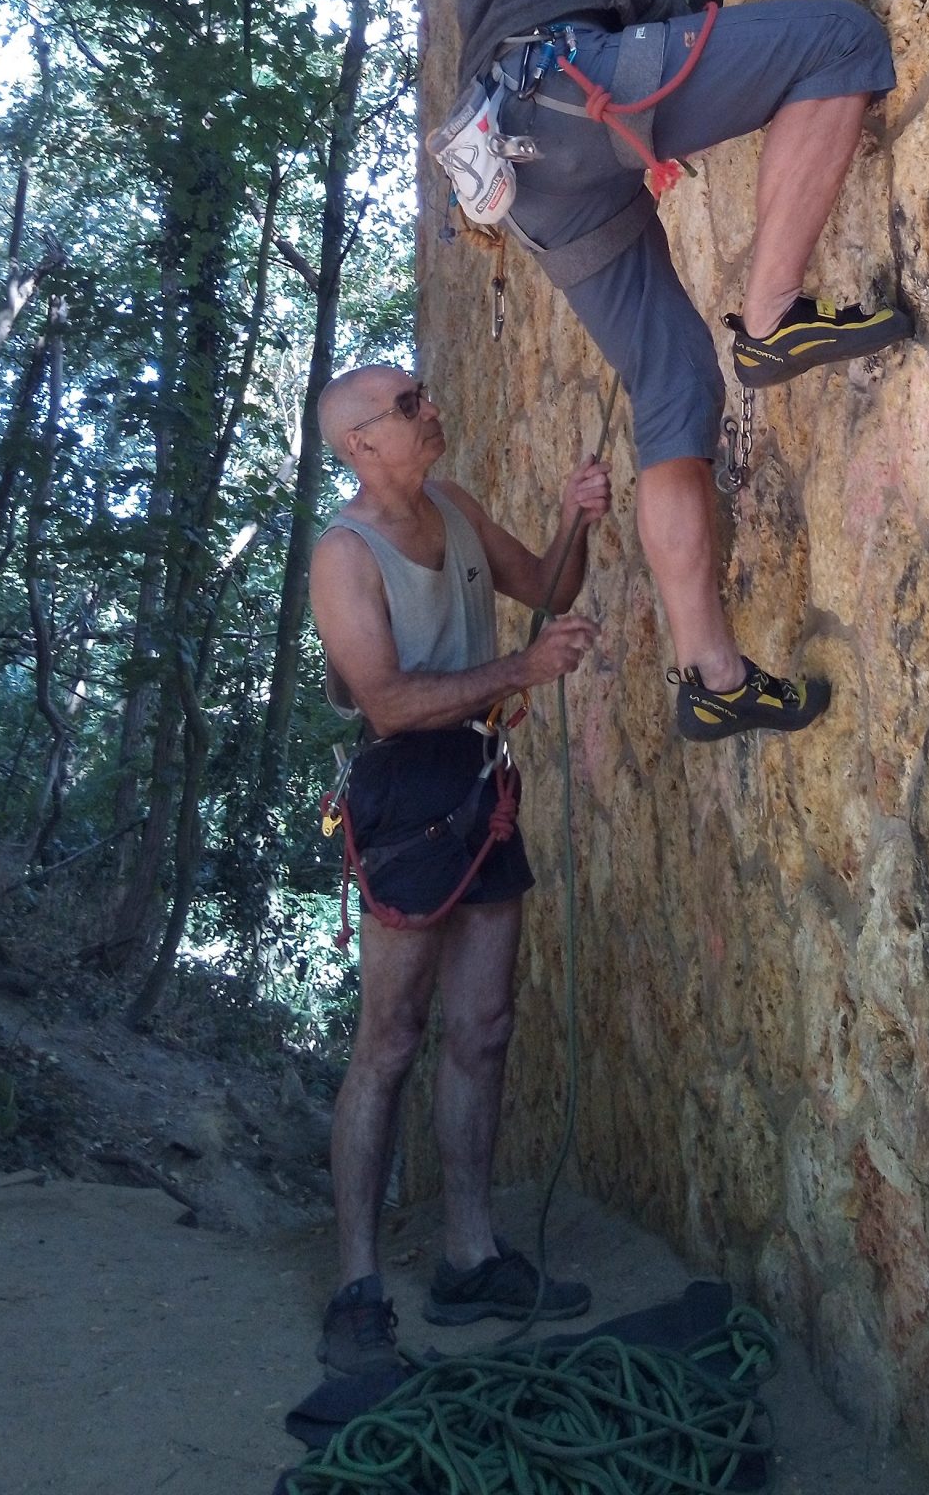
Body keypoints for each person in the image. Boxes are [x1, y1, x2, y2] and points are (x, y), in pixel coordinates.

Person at [453, 0, 918, 748]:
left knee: (672, 394)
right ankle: (772, 317)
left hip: (533, 170)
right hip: (567, 100)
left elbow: (636, 41)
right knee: (839, 43)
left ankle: (711, 674)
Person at [308, 359, 608, 1369]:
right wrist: (522, 667)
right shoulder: (344, 556)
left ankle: (470, 1257)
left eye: (424, 394)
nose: (430, 409)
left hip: (480, 779)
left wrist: (575, 518)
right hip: (405, 793)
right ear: (361, 443)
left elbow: (551, 585)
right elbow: (388, 702)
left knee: (483, 1027)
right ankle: (357, 1284)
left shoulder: (457, 506)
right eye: (408, 406)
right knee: (389, 1040)